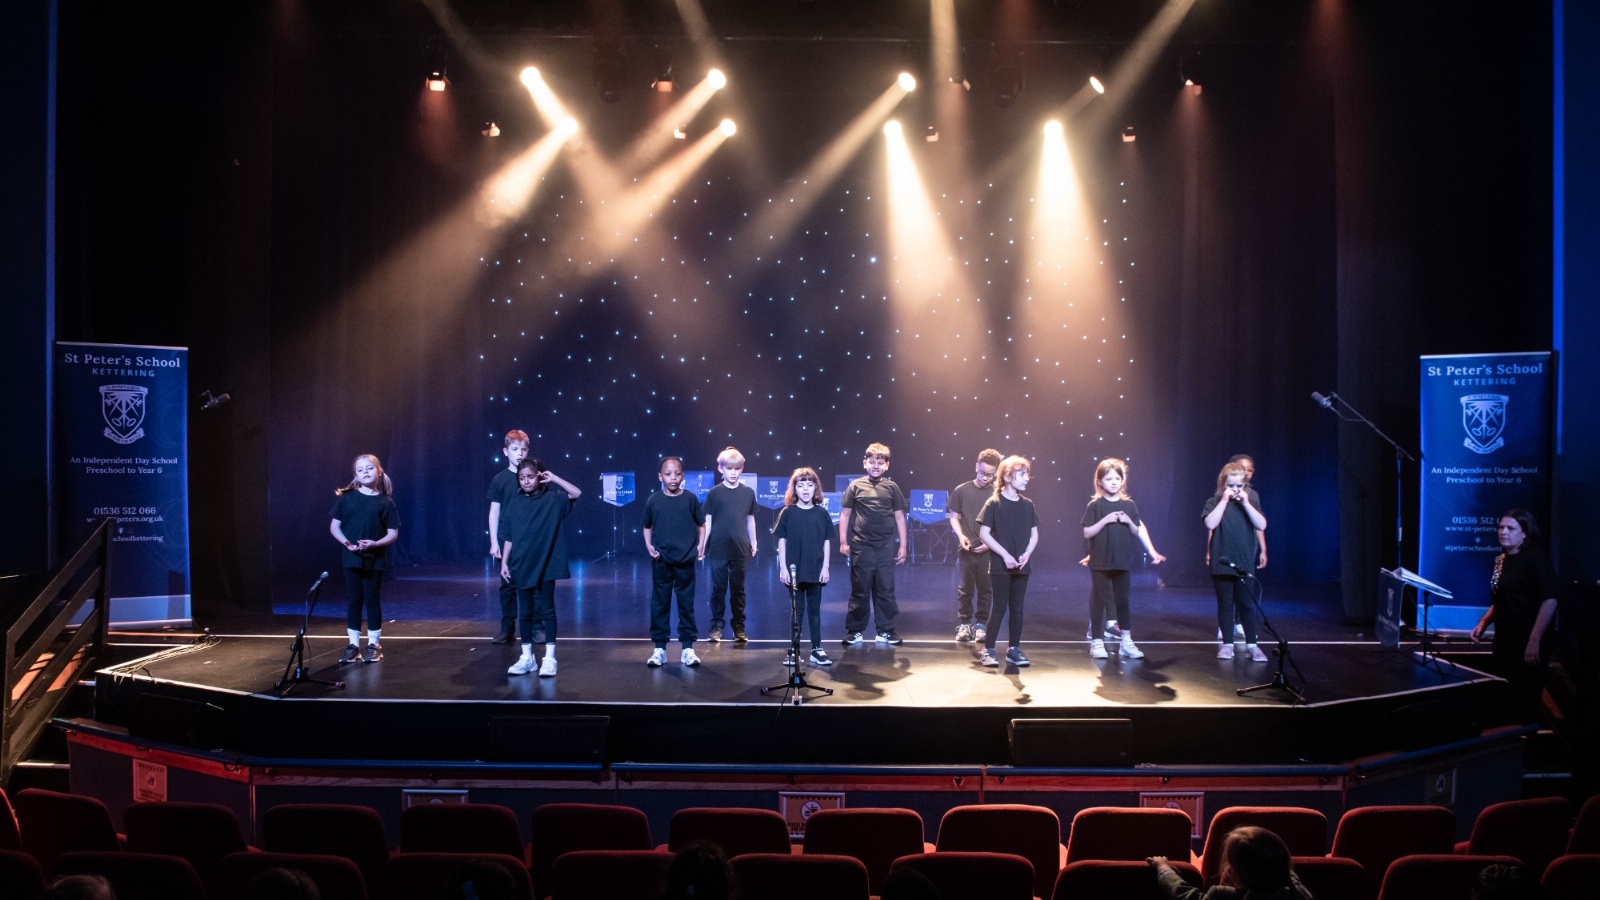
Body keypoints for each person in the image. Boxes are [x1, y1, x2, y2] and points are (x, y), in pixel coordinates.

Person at [1471, 509, 1560, 723]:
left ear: (1525, 533)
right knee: (1503, 694)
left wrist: (1534, 641)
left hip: (1528, 639)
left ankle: (1526, 737)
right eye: (1501, 527)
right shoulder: (1502, 560)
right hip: (1505, 637)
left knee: (1523, 697)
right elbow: (1503, 598)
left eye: (1510, 528)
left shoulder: (1535, 559)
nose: (1503, 532)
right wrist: (1484, 622)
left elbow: (1549, 600)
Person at [500, 458, 581, 677]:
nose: (526, 481)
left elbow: (576, 493)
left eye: (530, 477)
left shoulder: (552, 500)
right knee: (525, 611)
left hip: (546, 562)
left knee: (547, 609)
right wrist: (505, 561)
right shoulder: (515, 503)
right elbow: (509, 535)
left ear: (539, 476)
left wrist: (554, 478)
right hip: (523, 562)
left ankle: (550, 658)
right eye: (522, 478)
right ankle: (527, 658)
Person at [1081, 458, 1166, 659]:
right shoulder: (1095, 505)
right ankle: (1097, 641)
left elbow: (1136, 530)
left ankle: (1126, 641)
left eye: (1117, 479)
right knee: (1099, 600)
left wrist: (1128, 521)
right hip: (1101, 561)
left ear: (1122, 481)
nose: (1113, 482)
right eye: (1108, 479)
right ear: (1100, 482)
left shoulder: (1129, 505)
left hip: (1122, 561)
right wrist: (1106, 520)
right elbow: (1087, 532)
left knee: (1123, 601)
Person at [329, 454, 400, 664]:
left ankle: (374, 645)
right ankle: (353, 646)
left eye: (369, 468)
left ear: (379, 471)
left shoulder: (385, 502)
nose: (365, 472)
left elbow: (392, 533)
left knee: (372, 600)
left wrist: (375, 544)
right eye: (360, 470)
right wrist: (346, 543)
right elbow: (335, 527)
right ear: (356, 475)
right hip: (351, 558)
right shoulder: (347, 498)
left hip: (374, 560)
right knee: (354, 600)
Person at [839, 442, 909, 646]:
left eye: (880, 463)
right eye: (872, 462)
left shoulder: (892, 487)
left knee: (885, 589)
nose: (876, 466)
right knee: (860, 589)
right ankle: (855, 631)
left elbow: (899, 518)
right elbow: (845, 515)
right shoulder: (856, 486)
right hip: (861, 545)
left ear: (887, 465)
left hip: (885, 546)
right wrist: (843, 542)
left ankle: (886, 631)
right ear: (865, 463)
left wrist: (903, 545)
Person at [977, 455, 1040, 668]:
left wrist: (1027, 553)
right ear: (1007, 476)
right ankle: (988, 649)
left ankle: (1013, 649)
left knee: (1017, 608)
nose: (1027, 478)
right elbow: (984, 534)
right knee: (999, 607)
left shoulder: (1028, 505)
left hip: (1022, 566)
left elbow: (1034, 534)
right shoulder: (994, 503)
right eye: (1022, 474)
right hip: (1000, 567)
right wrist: (1005, 555)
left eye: (1027, 474)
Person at [641, 456, 705, 667]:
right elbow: (647, 526)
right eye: (668, 474)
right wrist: (649, 545)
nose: (673, 478)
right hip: (662, 560)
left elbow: (701, 524)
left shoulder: (690, 499)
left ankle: (688, 648)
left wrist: (701, 545)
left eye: (677, 474)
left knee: (686, 604)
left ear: (683, 476)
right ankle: (660, 649)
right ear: (660, 476)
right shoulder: (653, 500)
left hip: (685, 560)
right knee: (660, 603)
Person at [1203, 462, 1269, 662]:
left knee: (1246, 605)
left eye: (1239, 486)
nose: (1235, 490)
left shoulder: (1251, 500)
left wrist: (1246, 503)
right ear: (1223, 484)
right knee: (1225, 605)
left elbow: (1261, 524)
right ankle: (1227, 645)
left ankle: (1252, 646)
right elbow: (1210, 523)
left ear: (1245, 485)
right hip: (1221, 561)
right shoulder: (1214, 501)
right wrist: (1224, 500)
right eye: (1230, 485)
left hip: (1244, 562)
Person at [773, 466, 834, 665]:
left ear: (816, 488)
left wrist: (825, 567)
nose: (805, 489)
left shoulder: (822, 514)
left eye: (809, 485)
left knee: (814, 611)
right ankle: (795, 649)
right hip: (794, 571)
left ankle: (817, 649)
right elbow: (782, 541)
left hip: (815, 569)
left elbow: (826, 541)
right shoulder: (787, 513)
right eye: (801, 485)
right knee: (796, 612)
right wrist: (783, 568)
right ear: (794, 489)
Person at [1148, 826, 1311, 900]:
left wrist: (1164, 869)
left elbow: (1183, 894)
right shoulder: (1298, 893)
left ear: (1233, 871)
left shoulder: (1222, 896)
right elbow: (1280, 865)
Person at [700, 447, 758, 642]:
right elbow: (708, 520)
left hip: (740, 548)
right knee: (718, 588)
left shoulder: (748, 493)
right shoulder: (714, 493)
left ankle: (739, 626)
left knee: (738, 589)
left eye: (737, 469)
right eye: (729, 468)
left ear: (742, 469)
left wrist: (754, 541)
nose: (733, 473)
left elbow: (750, 519)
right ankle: (716, 625)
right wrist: (702, 544)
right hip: (718, 548)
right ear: (721, 469)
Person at [947, 448, 1002, 643]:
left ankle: (981, 625)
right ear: (976, 467)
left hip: (988, 550)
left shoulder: (998, 494)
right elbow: (954, 517)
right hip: (967, 548)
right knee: (965, 588)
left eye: (990, 475)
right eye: (981, 472)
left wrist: (990, 544)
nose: (985, 478)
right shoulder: (961, 490)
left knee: (986, 589)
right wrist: (960, 535)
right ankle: (964, 624)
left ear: (996, 473)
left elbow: (1001, 524)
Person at [486, 429, 532, 645]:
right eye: (515, 449)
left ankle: (537, 626)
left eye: (523, 449)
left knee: (534, 585)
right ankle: (507, 628)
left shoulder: (533, 477)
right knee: (507, 586)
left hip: (531, 539)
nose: (519, 454)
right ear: (506, 452)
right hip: (507, 540)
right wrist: (494, 541)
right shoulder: (500, 479)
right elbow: (494, 511)